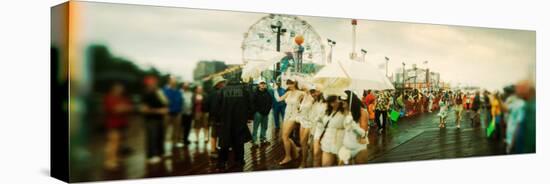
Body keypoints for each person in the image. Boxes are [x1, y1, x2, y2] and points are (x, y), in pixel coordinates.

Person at [216, 78, 253, 171]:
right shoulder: (244, 90)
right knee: (239, 141)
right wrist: (248, 116)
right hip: (240, 120)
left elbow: (217, 106)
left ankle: (222, 162)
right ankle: (239, 160)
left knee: (225, 142)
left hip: (226, 120)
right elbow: (250, 104)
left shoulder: (222, 90)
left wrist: (218, 119)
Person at [275, 79, 305, 165]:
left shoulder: (300, 93)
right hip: (286, 115)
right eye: (288, 84)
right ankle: (296, 149)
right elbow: (278, 99)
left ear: (295, 83)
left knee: (285, 137)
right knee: (285, 136)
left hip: (294, 116)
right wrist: (275, 90)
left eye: (291, 83)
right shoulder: (288, 93)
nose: (289, 85)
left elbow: (309, 98)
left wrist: (301, 107)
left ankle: (288, 156)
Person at [103, 82, 132, 170]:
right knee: (113, 143)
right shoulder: (109, 97)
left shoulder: (123, 98)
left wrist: (122, 108)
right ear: (113, 88)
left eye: (121, 88)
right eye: (117, 88)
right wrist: (122, 108)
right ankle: (109, 161)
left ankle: (116, 158)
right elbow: (115, 110)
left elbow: (129, 107)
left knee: (119, 142)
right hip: (112, 124)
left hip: (122, 123)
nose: (119, 90)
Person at [140, 76, 169, 164]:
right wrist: (159, 111)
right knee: (152, 137)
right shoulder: (146, 94)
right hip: (151, 120)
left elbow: (166, 102)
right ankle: (150, 156)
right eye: (153, 83)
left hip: (160, 119)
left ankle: (160, 153)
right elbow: (143, 109)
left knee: (160, 136)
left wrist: (161, 94)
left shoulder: (158, 93)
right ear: (148, 84)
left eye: (155, 83)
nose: (155, 84)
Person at [338, 90, 369, 165]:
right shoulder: (343, 110)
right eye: (341, 99)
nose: (341, 101)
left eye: (343, 100)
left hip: (359, 148)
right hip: (346, 147)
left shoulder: (363, 112)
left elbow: (363, 134)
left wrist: (353, 125)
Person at [318, 95, 348, 166]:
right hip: (327, 140)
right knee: (325, 164)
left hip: (341, 141)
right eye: (331, 102)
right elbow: (322, 123)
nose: (333, 104)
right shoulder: (328, 111)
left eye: (335, 101)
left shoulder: (345, 111)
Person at [295, 85, 317, 168]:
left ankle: (306, 162)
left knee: (305, 142)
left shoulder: (313, 99)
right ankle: (304, 161)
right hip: (303, 121)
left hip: (310, 123)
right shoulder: (304, 96)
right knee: (302, 143)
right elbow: (300, 108)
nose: (303, 89)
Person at [205, 76, 226, 157]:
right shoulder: (217, 93)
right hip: (217, 117)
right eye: (222, 82)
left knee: (216, 133)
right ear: (218, 84)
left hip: (215, 116)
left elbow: (206, 106)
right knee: (214, 134)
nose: (224, 84)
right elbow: (214, 107)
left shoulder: (212, 93)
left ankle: (215, 148)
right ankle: (213, 151)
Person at [163, 77, 183, 153]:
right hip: (167, 113)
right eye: (173, 81)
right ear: (169, 81)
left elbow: (180, 101)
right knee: (165, 129)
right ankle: (163, 145)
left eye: (175, 81)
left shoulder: (178, 91)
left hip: (177, 113)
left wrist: (179, 110)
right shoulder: (165, 90)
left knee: (176, 129)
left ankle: (174, 143)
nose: (175, 82)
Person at [251, 80, 273, 146]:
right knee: (256, 127)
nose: (263, 85)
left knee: (264, 126)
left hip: (266, 113)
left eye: (264, 84)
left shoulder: (268, 93)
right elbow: (252, 103)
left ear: (265, 85)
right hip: (258, 113)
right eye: (261, 83)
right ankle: (254, 140)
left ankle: (263, 138)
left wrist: (268, 110)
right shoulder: (255, 93)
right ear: (258, 85)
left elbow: (270, 102)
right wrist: (256, 111)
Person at [309, 89, 327, 167]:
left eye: (315, 92)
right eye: (312, 92)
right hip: (313, 130)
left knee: (317, 153)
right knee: (313, 151)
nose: (313, 94)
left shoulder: (325, 104)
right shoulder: (315, 103)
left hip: (322, 130)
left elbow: (324, 118)